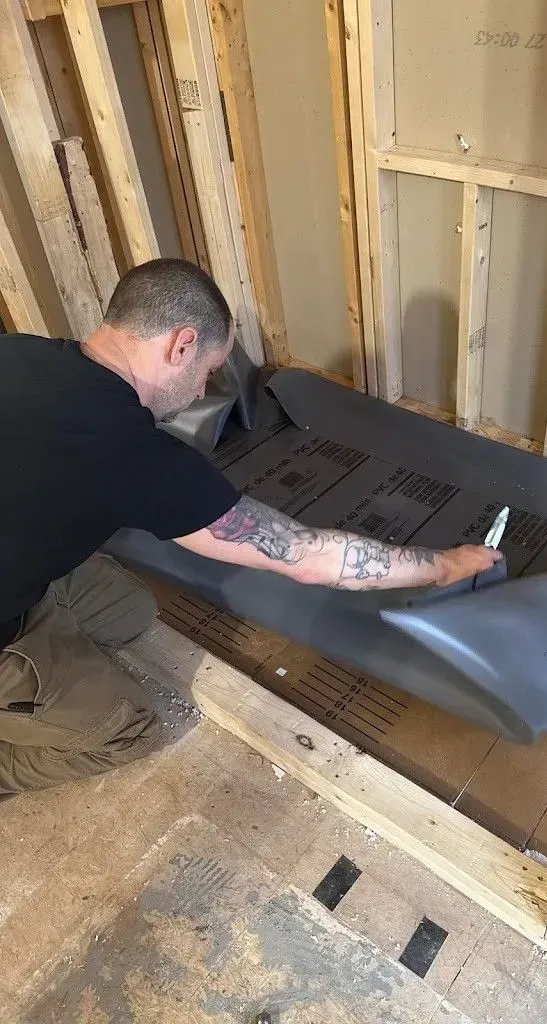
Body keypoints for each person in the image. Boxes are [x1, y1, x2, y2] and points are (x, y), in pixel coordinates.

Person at [0, 258, 499, 794]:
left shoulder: (17, 351)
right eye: (209, 371)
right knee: (131, 729)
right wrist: (444, 565)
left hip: (23, 582)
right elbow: (308, 556)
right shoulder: (133, 456)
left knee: (130, 612)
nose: (202, 392)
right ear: (182, 344)